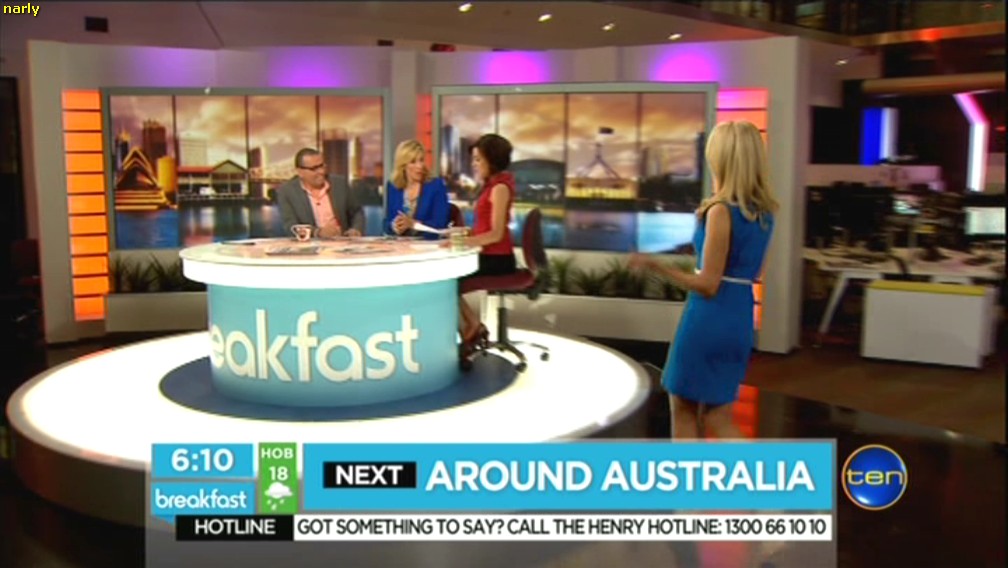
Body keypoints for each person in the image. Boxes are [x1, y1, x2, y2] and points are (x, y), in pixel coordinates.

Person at [629, 121, 777, 440]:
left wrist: (656, 266)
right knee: (719, 416)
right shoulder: (764, 214)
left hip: (708, 319)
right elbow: (751, 271)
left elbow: (709, 284)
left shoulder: (720, 211)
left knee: (682, 408)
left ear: (721, 159)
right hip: (739, 317)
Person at [443, 134, 518, 356]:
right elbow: (486, 228)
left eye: (478, 159)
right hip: (490, 254)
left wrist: (464, 242)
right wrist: (466, 232)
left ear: (492, 160)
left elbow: (496, 234)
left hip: (499, 259)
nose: (474, 165)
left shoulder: (500, 188)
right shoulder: (491, 186)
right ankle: (471, 325)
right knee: (447, 278)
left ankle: (472, 325)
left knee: (447, 281)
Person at [274, 148, 365, 238]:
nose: (321, 172)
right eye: (314, 168)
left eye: (322, 166)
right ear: (300, 172)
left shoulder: (339, 184)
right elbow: (291, 226)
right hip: (309, 244)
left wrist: (356, 229)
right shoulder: (287, 191)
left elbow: (357, 212)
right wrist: (318, 233)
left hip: (342, 242)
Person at [384, 140, 450, 240]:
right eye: (413, 162)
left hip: (427, 245)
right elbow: (386, 222)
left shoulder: (436, 186)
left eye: (421, 160)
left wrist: (413, 224)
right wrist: (394, 226)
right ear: (403, 166)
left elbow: (440, 224)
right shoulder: (393, 187)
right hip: (400, 245)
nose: (419, 166)